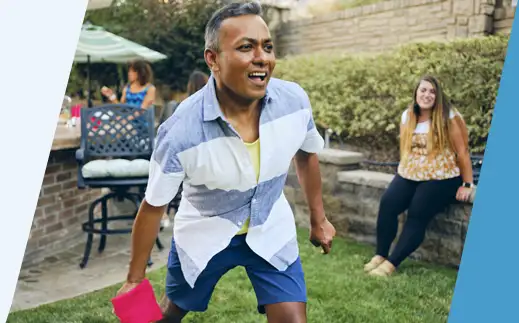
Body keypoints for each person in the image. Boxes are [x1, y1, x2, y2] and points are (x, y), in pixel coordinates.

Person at [115, 2, 336, 323]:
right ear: (213, 59)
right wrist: (134, 279)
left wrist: (318, 218)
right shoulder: (180, 131)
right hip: (204, 234)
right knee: (168, 315)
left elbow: (306, 154)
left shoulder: (294, 102)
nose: (262, 57)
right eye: (246, 47)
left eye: (267, 46)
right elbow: (153, 206)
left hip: (270, 227)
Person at [364, 75, 474, 277]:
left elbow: (462, 151)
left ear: (438, 96)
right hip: (412, 173)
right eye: (423, 90)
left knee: (417, 212)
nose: (427, 95)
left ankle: (391, 264)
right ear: (416, 93)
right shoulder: (407, 116)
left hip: (442, 175)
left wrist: (467, 183)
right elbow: (407, 149)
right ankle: (380, 255)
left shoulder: (449, 117)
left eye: (432, 91)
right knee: (388, 203)